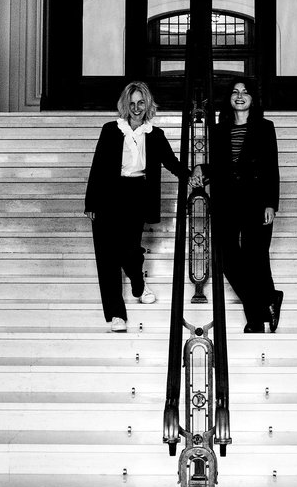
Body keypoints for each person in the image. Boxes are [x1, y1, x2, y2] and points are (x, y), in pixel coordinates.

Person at [84, 81, 190, 332]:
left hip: (136, 194)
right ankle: (116, 315)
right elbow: (98, 165)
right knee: (107, 257)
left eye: (141, 102)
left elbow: (172, 163)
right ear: (125, 105)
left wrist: (192, 176)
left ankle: (138, 284)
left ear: (148, 104)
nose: (136, 107)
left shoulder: (155, 135)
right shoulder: (111, 130)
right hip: (108, 194)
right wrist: (91, 202)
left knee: (129, 249)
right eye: (131, 103)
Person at [196, 77, 283, 333]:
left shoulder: (265, 127)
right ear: (229, 98)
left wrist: (271, 204)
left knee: (256, 258)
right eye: (235, 92)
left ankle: (254, 320)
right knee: (228, 260)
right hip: (226, 200)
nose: (240, 96)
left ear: (253, 99)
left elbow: (271, 167)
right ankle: (268, 299)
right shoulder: (218, 129)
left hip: (256, 200)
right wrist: (202, 168)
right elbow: (221, 167)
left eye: (245, 92)